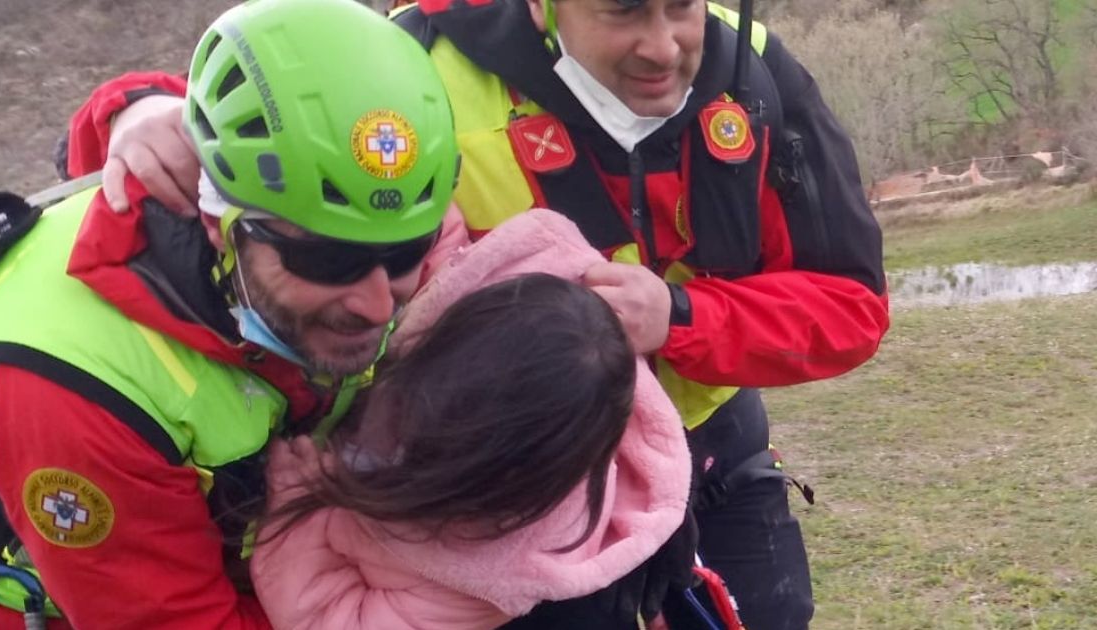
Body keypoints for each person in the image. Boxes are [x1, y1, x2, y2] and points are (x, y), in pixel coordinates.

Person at [63, 1, 890, 628]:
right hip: (507, 483)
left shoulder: (757, 75)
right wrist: (135, 110)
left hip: (708, 443)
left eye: (682, 4)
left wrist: (680, 316)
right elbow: (263, 102)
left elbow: (852, 305)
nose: (664, 44)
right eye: (623, 8)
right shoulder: (432, 51)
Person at [0, 0, 462, 627]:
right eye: (326, 261)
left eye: (408, 249)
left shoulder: (293, 220)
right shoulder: (75, 390)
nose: (378, 303)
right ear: (221, 227)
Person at [251, 211, 692, 629]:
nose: (402, 427)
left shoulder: (490, 572)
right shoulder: (473, 291)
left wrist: (294, 503)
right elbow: (432, 229)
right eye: (413, 403)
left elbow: (326, 618)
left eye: (434, 446)